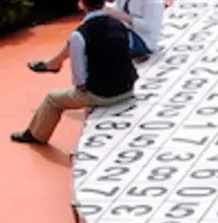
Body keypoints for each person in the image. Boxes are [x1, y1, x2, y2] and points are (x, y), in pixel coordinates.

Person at [11, 0, 139, 147]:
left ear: (81, 5)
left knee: (52, 99)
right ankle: (53, 64)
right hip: (128, 89)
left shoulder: (80, 35)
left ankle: (37, 135)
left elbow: (79, 76)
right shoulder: (119, 25)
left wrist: (83, 90)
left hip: (103, 95)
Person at [30, 0, 166, 66]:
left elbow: (149, 27)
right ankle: (58, 60)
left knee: (94, 40)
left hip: (143, 41)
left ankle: (58, 62)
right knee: (92, 26)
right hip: (124, 29)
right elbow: (116, 9)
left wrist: (121, 15)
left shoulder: (152, 1)